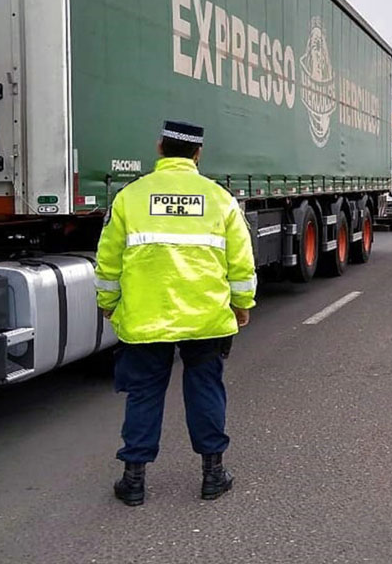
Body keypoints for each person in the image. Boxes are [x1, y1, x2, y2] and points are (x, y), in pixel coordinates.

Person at [95, 120, 257, 506]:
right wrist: (242, 306)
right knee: (205, 390)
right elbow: (241, 261)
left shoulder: (130, 197)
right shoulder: (219, 199)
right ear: (198, 154)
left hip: (145, 319)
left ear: (159, 148)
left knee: (144, 394)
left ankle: (133, 482)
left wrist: (108, 305)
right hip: (205, 318)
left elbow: (108, 262)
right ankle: (213, 476)